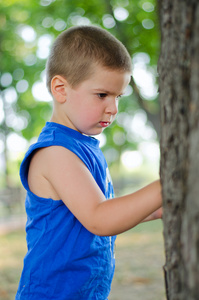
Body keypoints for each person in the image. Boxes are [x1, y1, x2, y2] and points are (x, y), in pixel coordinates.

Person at [15, 25, 162, 300]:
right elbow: (98, 218)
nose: (113, 108)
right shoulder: (55, 152)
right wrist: (167, 185)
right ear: (60, 89)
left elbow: (103, 213)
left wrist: (154, 210)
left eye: (118, 96)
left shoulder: (83, 147)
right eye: (102, 95)